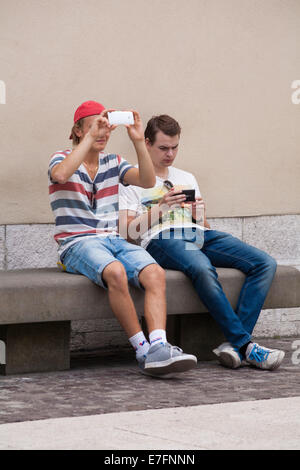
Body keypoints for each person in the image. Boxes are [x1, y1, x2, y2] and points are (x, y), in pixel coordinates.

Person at [119, 114, 285, 370]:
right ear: (148, 144)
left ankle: (233, 345)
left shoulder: (186, 176)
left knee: (263, 263)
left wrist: (200, 216)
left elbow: (203, 226)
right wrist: (161, 208)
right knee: (202, 267)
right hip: (164, 238)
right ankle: (246, 345)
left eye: (175, 147)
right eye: (163, 148)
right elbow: (128, 233)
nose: (170, 154)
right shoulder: (132, 180)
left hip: (200, 234)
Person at [48, 101, 197, 378]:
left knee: (154, 273)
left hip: (112, 239)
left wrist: (139, 140)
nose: (102, 133)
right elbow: (60, 175)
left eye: (105, 127)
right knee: (115, 271)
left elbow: (147, 179)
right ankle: (143, 352)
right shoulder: (61, 158)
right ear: (78, 130)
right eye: (94, 127)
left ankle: (159, 347)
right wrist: (91, 137)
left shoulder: (114, 162)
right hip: (77, 242)